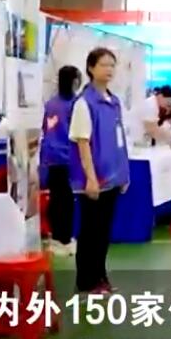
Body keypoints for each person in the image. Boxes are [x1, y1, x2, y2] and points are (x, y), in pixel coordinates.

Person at [68, 48, 130, 294]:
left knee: (103, 231)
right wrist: (91, 178)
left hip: (113, 178)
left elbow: (119, 140)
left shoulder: (114, 102)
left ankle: (100, 276)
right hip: (94, 180)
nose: (109, 69)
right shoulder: (84, 103)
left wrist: (124, 173)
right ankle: (86, 281)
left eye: (112, 65)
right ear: (91, 68)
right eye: (104, 65)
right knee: (90, 232)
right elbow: (82, 143)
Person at [40, 65, 81, 257]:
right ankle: (63, 239)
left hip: (51, 157)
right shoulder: (76, 104)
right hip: (67, 157)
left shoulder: (51, 104)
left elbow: (45, 128)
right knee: (66, 201)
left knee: (57, 199)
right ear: (74, 81)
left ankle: (57, 238)